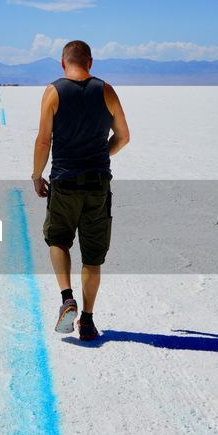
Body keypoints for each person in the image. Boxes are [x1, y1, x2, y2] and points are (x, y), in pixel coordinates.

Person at [31, 40, 131, 341]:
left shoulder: (53, 91)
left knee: (58, 239)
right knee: (93, 256)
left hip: (64, 181)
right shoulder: (106, 90)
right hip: (98, 184)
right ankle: (87, 321)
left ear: (63, 63)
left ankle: (67, 299)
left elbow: (43, 141)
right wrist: (101, 156)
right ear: (90, 62)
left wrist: (37, 175)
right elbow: (124, 137)